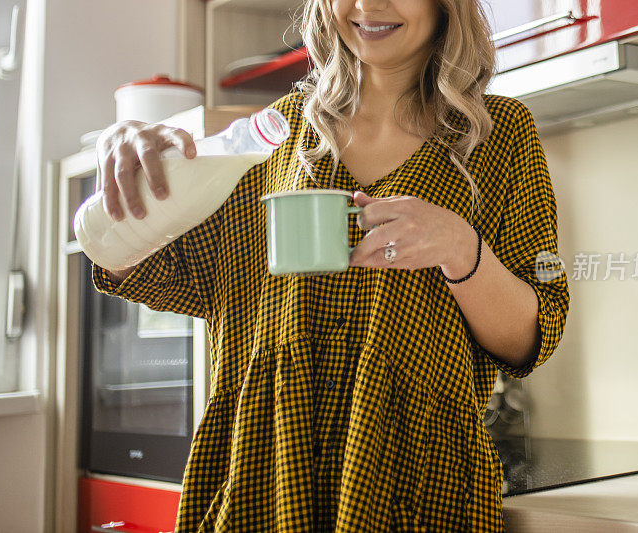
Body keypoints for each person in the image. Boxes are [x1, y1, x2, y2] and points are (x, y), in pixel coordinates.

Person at [92, 0, 570, 531]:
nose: (368, 5)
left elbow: (531, 337)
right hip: (261, 474)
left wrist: (463, 249)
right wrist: (129, 177)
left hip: (416, 484)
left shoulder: (500, 135)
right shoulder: (267, 136)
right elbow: (149, 270)